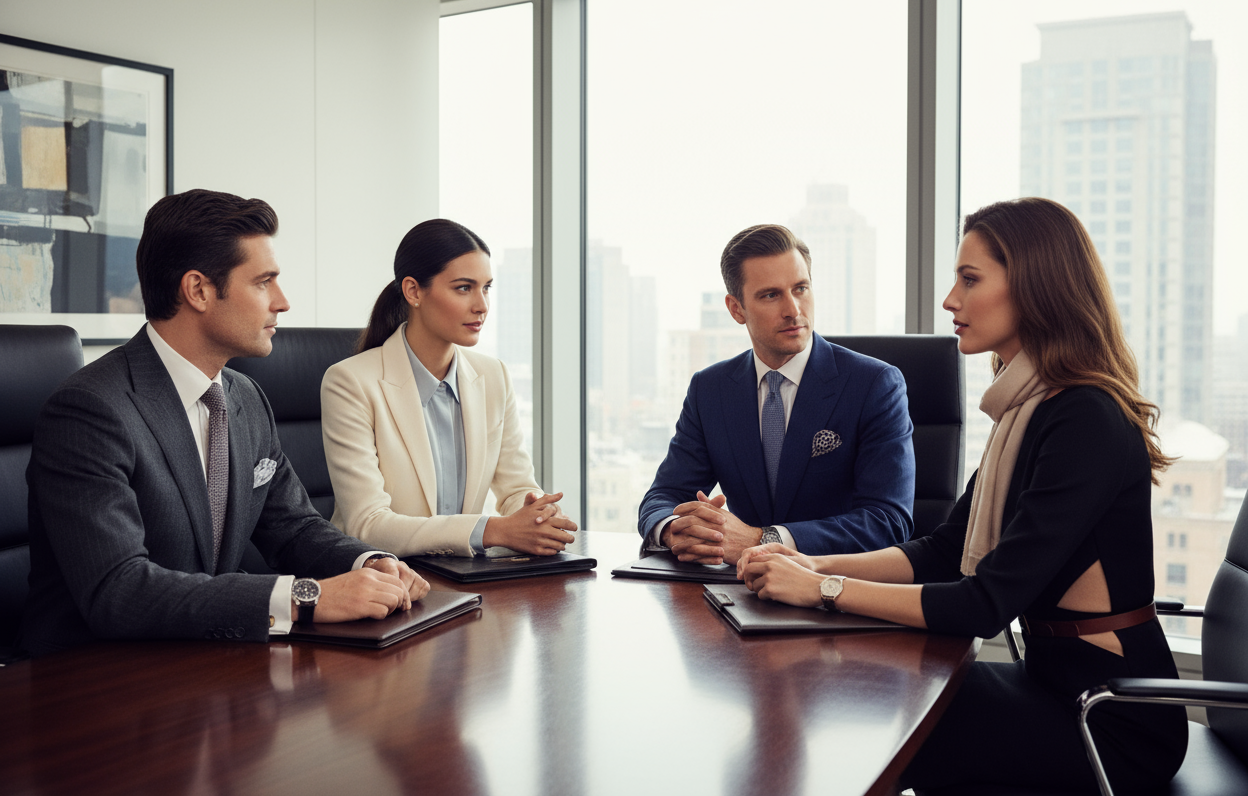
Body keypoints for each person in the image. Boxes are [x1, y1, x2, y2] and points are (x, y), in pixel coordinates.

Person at [738, 198, 1188, 791]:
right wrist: (809, 562)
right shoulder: (1027, 409)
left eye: (969, 279)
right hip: (1056, 687)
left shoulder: (1085, 420)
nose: (950, 300)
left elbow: (986, 604)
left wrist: (823, 590)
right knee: (871, 684)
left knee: (893, 720)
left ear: (1035, 286)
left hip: (1109, 720)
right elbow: (945, 548)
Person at [21, 189, 430, 658]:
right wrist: (305, 598)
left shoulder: (243, 396)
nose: (283, 301)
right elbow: (120, 591)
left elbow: (292, 526)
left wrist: (370, 561)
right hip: (90, 680)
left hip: (203, 659)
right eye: (263, 282)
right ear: (198, 290)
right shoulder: (90, 410)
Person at [638, 223, 915, 566]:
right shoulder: (710, 389)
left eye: (800, 288)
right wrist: (675, 529)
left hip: (835, 593)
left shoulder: (875, 385)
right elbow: (664, 495)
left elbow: (888, 522)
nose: (793, 309)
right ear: (736, 309)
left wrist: (762, 540)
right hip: (738, 593)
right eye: (771, 295)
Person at [321, 218, 577, 558]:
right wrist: (493, 530)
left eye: (487, 287)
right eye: (463, 288)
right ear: (413, 291)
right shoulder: (350, 382)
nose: (482, 306)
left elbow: (516, 487)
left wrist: (538, 512)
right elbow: (367, 524)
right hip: (378, 581)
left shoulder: (494, 376)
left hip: (463, 578)